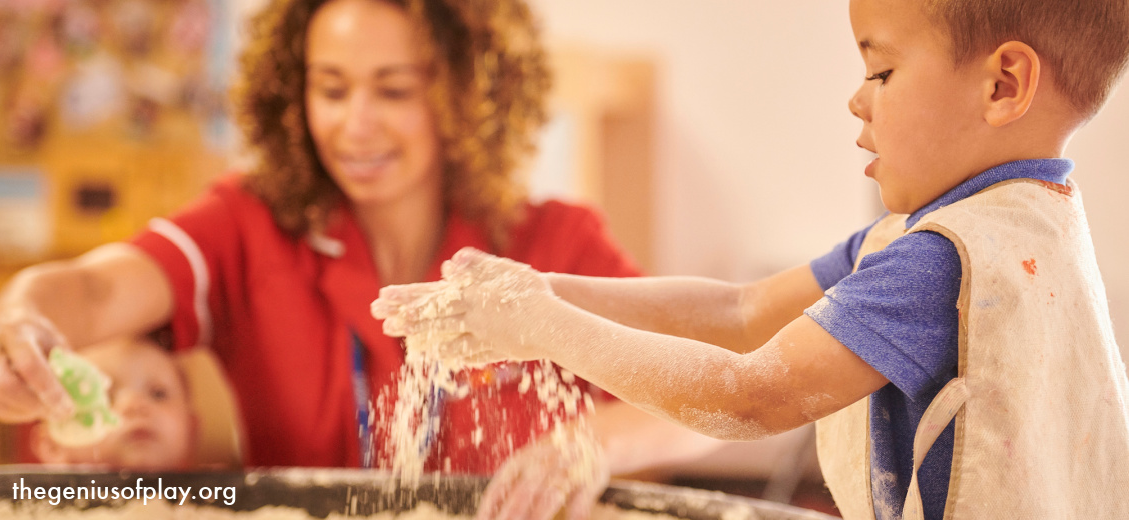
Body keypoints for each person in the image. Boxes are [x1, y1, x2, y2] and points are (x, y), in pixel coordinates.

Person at [373, 0, 1129, 518]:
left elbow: (746, 394)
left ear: (1003, 85)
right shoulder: (1020, 229)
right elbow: (737, 314)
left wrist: (540, 328)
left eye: (881, 72)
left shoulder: (939, 265)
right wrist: (540, 291)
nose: (856, 100)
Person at [0, 0, 719, 518]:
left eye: (393, 90)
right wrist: (22, 321)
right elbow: (87, 291)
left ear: (466, 92)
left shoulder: (552, 243)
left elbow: (708, 390)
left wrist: (587, 447)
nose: (355, 125)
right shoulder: (249, 226)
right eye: (329, 89)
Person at [31, 336, 198, 471]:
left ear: (192, 430)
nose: (136, 405)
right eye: (105, 397)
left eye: (158, 394)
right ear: (52, 446)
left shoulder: (213, 495)